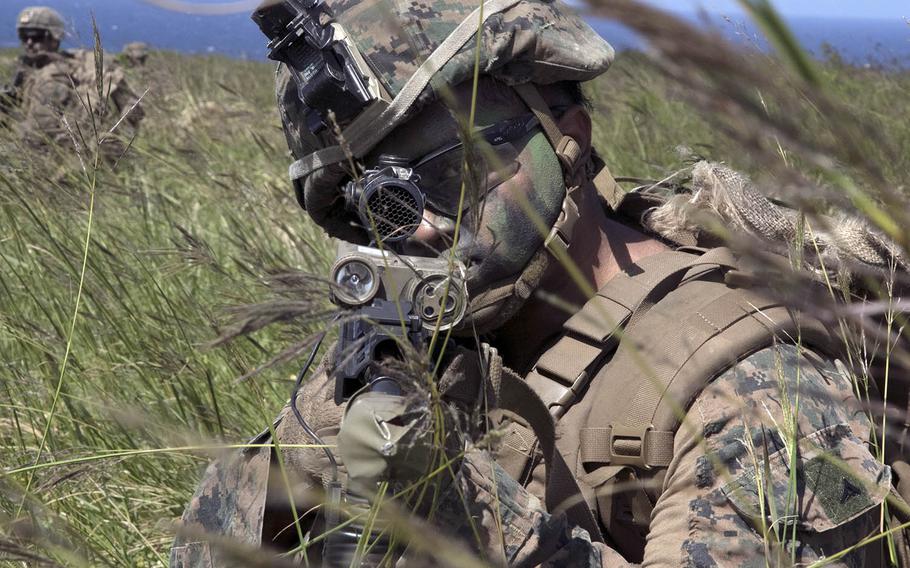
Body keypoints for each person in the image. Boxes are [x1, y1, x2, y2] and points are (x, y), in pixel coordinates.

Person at [171, 0, 902, 566]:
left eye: (453, 174)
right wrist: (306, 450)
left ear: (568, 136)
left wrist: (456, 508)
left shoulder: (750, 382)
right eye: (375, 210)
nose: (422, 229)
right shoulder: (411, 349)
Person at [2, 6, 144, 155]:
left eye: (37, 36)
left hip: (63, 158)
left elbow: (36, 137)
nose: (29, 42)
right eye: (24, 36)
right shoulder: (29, 69)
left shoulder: (55, 76)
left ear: (54, 38)